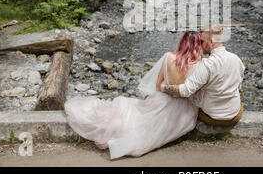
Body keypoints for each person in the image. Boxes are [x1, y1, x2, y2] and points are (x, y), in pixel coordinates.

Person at [64, 31, 203, 160]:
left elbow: (158, 86)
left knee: (136, 115)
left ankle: (120, 138)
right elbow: (196, 94)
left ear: (182, 42)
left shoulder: (168, 57)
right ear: (197, 46)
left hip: (164, 100)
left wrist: (168, 89)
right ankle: (123, 143)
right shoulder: (199, 65)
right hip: (184, 109)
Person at [160, 25, 245, 126]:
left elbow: (185, 91)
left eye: (202, 42)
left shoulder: (207, 64)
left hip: (212, 117)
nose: (200, 45)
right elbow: (238, 86)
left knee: (192, 105)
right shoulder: (237, 59)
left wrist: (164, 87)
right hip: (235, 115)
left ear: (212, 41)